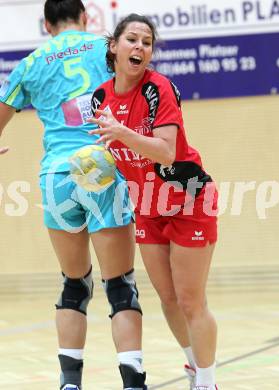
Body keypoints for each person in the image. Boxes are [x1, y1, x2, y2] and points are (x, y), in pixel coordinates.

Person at [0, 2, 147, 390]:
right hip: (102, 167)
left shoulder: (31, 63)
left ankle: (70, 384)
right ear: (86, 18)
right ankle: (133, 383)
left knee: (74, 284)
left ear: (47, 24)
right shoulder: (107, 46)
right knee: (120, 285)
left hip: (56, 176)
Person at [89, 13, 219, 390]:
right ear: (114, 46)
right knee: (168, 298)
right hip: (147, 204)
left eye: (147, 42)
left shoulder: (158, 88)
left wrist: (122, 132)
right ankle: (194, 366)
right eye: (132, 39)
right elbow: (113, 151)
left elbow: (166, 152)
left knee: (191, 299)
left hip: (188, 197)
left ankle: (208, 383)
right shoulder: (101, 97)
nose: (140, 47)